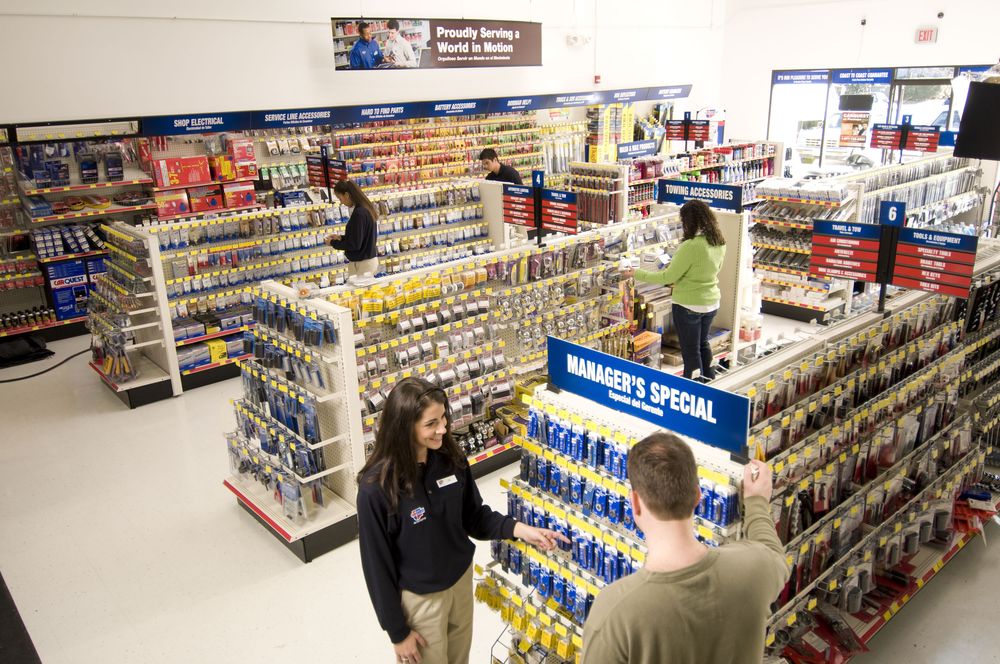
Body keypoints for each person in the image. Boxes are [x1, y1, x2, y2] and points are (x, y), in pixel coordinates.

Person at [357, 377, 568, 664]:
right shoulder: (376, 488)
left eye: (443, 417)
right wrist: (397, 632)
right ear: (404, 426)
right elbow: (376, 566)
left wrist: (520, 530)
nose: (443, 429)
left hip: (460, 584)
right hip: (421, 601)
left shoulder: (449, 458)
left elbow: (474, 516)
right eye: (431, 424)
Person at [581, 432, 789, 664]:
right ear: (698, 496)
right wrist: (756, 502)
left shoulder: (613, 613)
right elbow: (772, 550)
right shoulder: (755, 569)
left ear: (635, 503)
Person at [622, 199, 726, 381]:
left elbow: (667, 278)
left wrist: (636, 273)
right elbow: (712, 269)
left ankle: (693, 388)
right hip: (711, 302)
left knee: (690, 351)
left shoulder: (691, 246)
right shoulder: (719, 241)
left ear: (689, 221)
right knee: (703, 344)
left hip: (689, 305)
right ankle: (710, 382)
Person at [326, 179, 378, 277]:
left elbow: (354, 244)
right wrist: (341, 238)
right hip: (365, 262)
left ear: (346, 195)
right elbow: (359, 237)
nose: (341, 202)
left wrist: (332, 243)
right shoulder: (364, 208)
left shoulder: (359, 213)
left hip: (363, 264)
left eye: (340, 198)